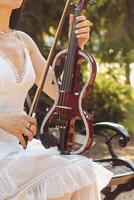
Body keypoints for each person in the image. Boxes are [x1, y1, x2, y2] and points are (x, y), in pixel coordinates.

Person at [0, 0, 113, 199]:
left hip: (20, 148)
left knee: (81, 171)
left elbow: (59, 92)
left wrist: (74, 48)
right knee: (74, 171)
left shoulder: (23, 40)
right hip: (4, 157)